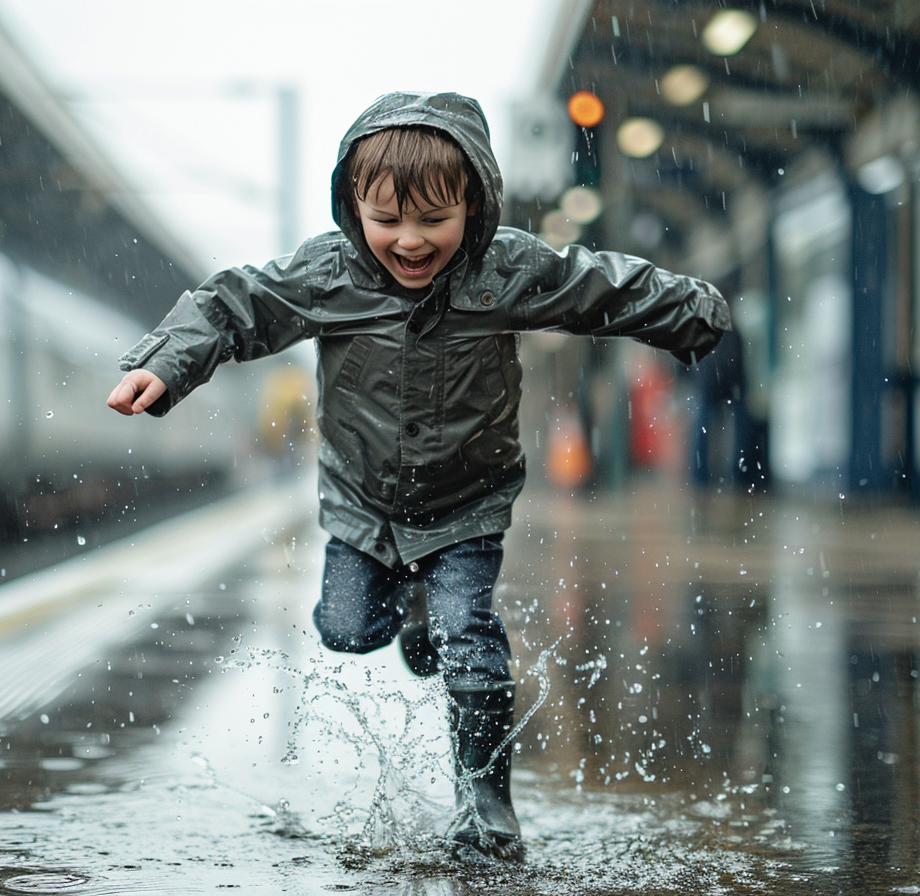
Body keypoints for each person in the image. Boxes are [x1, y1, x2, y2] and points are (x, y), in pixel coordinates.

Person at [107, 91, 730, 860]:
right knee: (345, 630)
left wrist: (689, 311)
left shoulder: (506, 269)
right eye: (387, 220)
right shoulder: (328, 274)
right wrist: (165, 366)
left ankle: (486, 806)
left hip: (467, 500)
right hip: (363, 505)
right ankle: (407, 609)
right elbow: (236, 305)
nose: (409, 241)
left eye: (434, 221)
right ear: (353, 206)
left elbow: (600, 286)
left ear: (473, 203)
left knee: (470, 638)